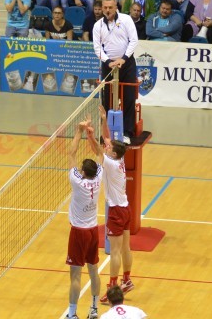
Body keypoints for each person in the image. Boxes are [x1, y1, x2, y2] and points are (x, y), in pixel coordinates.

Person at [86, 106, 134, 305]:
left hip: (115, 210)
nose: (107, 146)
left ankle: (113, 288)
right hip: (125, 208)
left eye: (109, 148)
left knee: (115, 251)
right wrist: (104, 119)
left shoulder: (111, 163)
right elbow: (105, 140)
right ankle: (127, 280)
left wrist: (89, 134)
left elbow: (97, 148)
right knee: (125, 248)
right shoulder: (119, 158)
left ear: (113, 154)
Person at [65, 119, 102, 319]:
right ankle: (94, 309)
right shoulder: (98, 178)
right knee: (94, 270)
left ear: (83, 172)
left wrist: (79, 131)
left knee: (75, 276)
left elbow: (70, 153)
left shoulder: (77, 182)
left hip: (78, 232)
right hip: (93, 230)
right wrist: (91, 135)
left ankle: (72, 314)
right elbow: (100, 154)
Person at [93, 0, 139, 143]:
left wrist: (123, 59)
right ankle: (106, 133)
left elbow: (134, 40)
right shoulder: (98, 25)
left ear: (116, 7)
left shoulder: (126, 19)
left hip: (127, 64)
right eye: (105, 8)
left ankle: (127, 133)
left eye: (110, 7)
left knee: (128, 98)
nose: (107, 10)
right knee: (107, 101)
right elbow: (97, 48)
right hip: (109, 66)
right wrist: (108, 62)